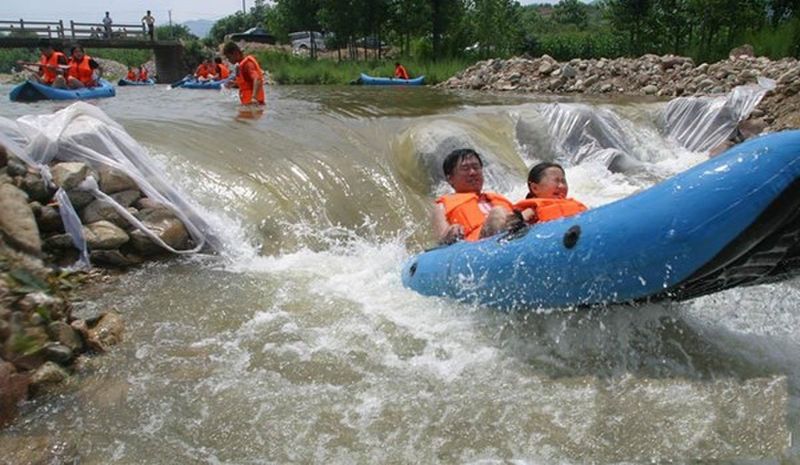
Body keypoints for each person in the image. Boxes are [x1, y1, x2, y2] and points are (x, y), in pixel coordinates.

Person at [432, 148, 522, 244]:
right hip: (477, 244)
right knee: (497, 212)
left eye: (476, 167)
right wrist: (451, 232)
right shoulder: (442, 205)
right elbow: (442, 240)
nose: (472, 172)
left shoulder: (496, 198)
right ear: (450, 179)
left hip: (510, 234)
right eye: (465, 169)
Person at [513, 162, 588, 224]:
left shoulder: (576, 205)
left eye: (563, 181)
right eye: (556, 181)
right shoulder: (531, 211)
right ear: (535, 188)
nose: (561, 186)